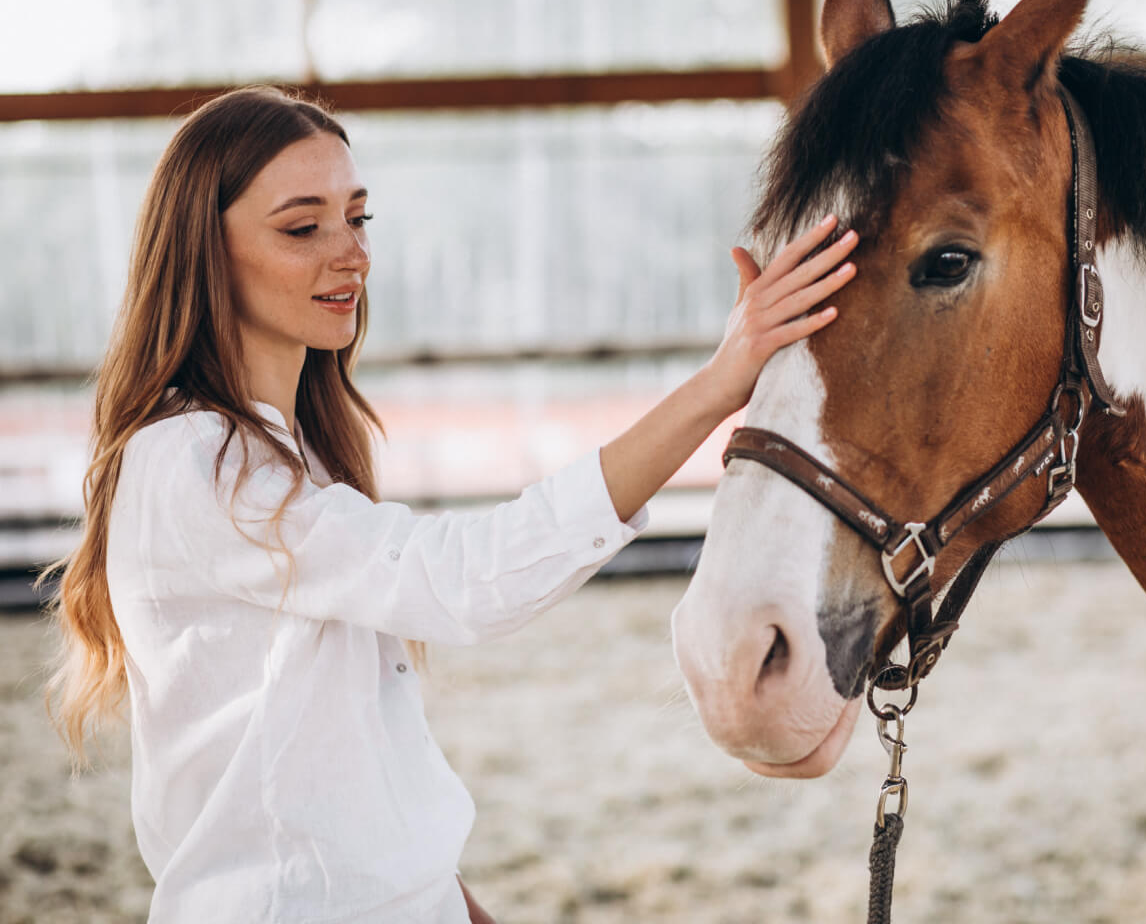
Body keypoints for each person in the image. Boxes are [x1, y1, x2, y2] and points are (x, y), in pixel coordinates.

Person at [43, 86, 857, 923]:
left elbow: (347, 751)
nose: (349, 252)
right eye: (302, 227)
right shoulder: (189, 463)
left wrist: (450, 900)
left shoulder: (301, 454)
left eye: (357, 218)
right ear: (202, 252)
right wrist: (717, 386)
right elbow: (464, 581)